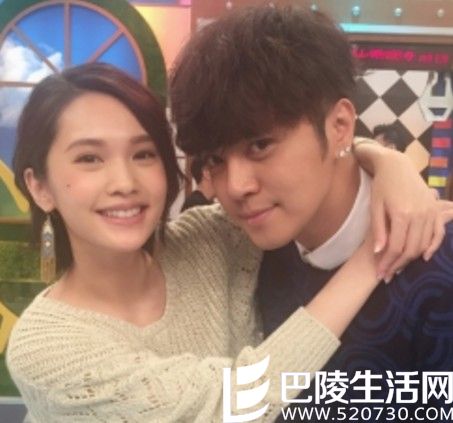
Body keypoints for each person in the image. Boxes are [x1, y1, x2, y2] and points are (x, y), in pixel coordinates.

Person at [6, 63, 387, 423]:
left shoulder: (209, 239)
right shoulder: (45, 348)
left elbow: (307, 161)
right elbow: (238, 403)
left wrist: (387, 165)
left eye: (143, 154)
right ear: (40, 188)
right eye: (89, 158)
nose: (124, 182)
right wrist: (373, 258)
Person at [169, 5, 453, 422]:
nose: (236, 187)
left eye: (260, 145)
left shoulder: (438, 265)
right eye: (215, 159)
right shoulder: (242, 249)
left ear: (339, 125)